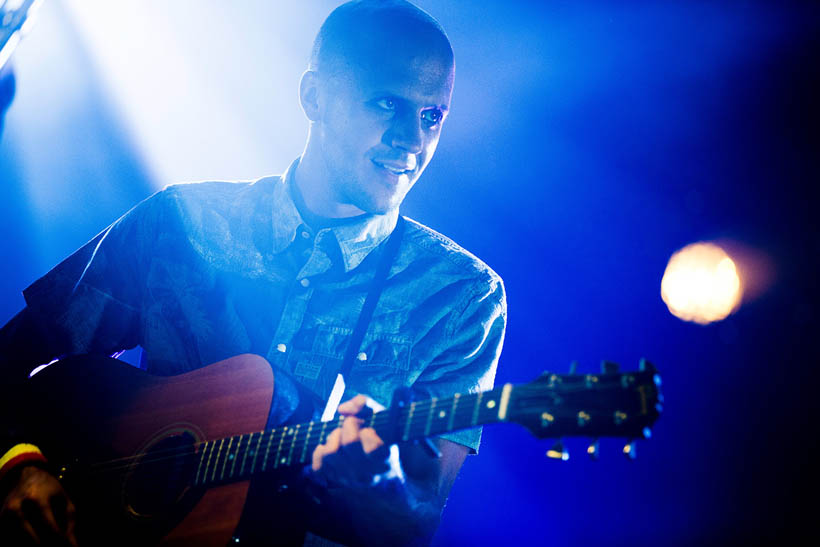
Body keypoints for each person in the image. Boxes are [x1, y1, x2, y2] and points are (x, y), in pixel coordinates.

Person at [0, 1, 506, 545]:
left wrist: (380, 482)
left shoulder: (463, 298)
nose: (413, 139)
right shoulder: (180, 220)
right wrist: (18, 462)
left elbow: (417, 521)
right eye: (387, 103)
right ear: (313, 96)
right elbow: (10, 357)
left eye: (433, 116)